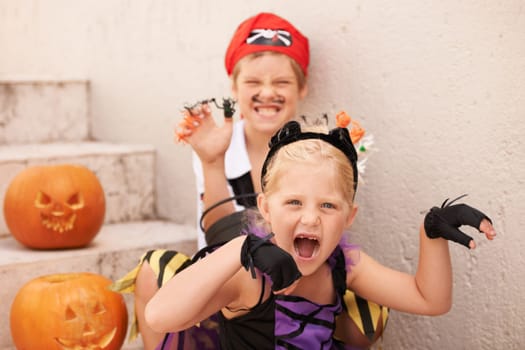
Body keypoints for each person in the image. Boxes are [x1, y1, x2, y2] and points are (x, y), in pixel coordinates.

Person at [111, 12, 386, 349]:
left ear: (302, 88)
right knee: (155, 271)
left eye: (281, 82)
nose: (267, 93)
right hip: (235, 283)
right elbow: (219, 230)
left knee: (370, 305)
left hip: (298, 283)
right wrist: (212, 163)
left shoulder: (322, 150)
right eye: (253, 83)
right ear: (234, 88)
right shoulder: (216, 141)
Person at [144, 118, 496, 349]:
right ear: (266, 208)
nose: (311, 218)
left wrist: (430, 233)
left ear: (349, 216)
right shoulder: (250, 277)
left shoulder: (346, 264)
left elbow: (429, 300)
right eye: (294, 202)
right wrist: (241, 248)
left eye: (327, 206)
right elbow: (160, 316)